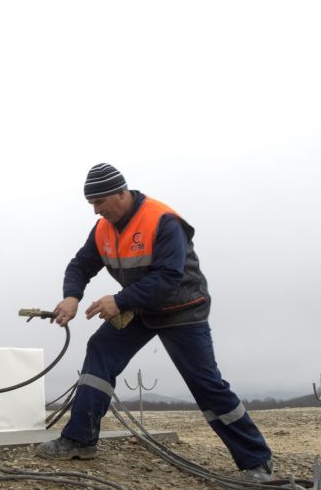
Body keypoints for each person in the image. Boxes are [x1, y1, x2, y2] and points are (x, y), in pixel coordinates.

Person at [35, 163, 274, 482]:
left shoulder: (163, 221)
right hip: (141, 309)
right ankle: (79, 439)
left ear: (121, 193)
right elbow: (81, 264)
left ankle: (257, 461)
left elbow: (169, 278)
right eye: (91, 204)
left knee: (206, 385)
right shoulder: (104, 229)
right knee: (101, 349)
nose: (96, 211)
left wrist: (118, 301)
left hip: (182, 309)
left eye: (100, 202)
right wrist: (72, 296)